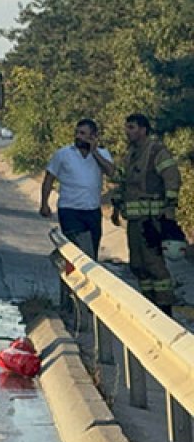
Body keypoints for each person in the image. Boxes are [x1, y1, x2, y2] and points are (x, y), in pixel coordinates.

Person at [112, 113, 181, 315]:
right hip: (134, 220)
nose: (128, 131)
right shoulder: (131, 153)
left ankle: (164, 308)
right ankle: (149, 305)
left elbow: (172, 177)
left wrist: (168, 209)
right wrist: (117, 204)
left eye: (132, 127)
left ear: (143, 129)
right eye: (127, 127)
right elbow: (123, 181)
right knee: (138, 264)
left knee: (155, 264)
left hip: (153, 220)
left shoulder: (155, 152)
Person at [39, 118, 114, 259]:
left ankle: (85, 281)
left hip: (92, 211)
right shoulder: (63, 154)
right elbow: (49, 178)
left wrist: (95, 152)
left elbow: (111, 172)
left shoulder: (102, 153)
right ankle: (68, 279)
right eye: (77, 133)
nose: (78, 136)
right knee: (76, 252)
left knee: (91, 255)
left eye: (83, 133)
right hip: (70, 210)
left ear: (93, 136)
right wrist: (44, 204)